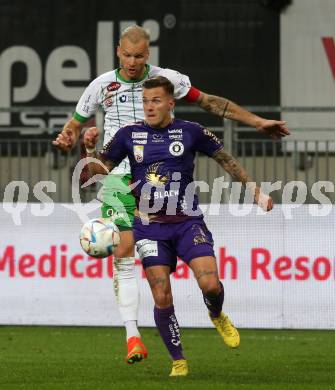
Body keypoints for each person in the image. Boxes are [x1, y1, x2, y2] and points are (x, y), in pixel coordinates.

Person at [52, 25, 287, 365]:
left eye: (139, 56)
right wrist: (69, 141)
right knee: (123, 249)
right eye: (127, 55)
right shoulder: (100, 85)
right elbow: (73, 127)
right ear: (118, 51)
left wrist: (256, 121)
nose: (132, 62)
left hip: (164, 182)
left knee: (175, 268)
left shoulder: (168, 80)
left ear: (148, 54)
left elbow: (210, 103)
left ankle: (194, 318)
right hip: (117, 175)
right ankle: (133, 335)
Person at [82, 76, 273, 376]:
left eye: (156, 100)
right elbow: (93, 174)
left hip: (186, 223)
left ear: (171, 102)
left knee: (210, 283)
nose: (149, 107)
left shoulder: (190, 131)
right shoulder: (128, 135)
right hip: (149, 228)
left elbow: (226, 160)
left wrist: (255, 191)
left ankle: (216, 313)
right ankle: (178, 360)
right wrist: (88, 150)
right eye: (145, 101)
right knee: (162, 295)